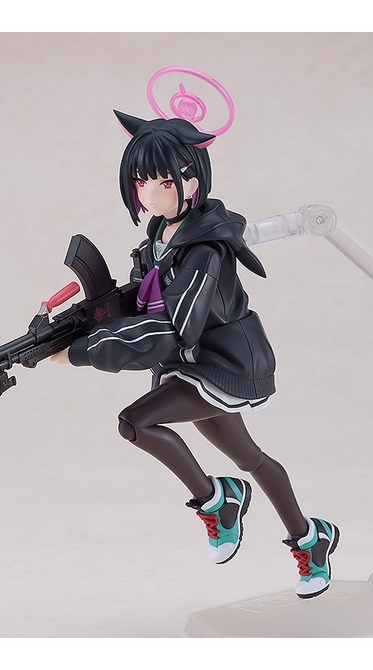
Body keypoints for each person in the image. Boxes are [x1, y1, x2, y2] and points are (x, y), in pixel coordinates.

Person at [52, 110, 339, 599]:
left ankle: (216, 501)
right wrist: (89, 320)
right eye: (141, 181)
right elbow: (144, 298)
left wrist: (86, 349)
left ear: (190, 181)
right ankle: (313, 538)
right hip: (193, 362)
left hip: (226, 363)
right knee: (251, 457)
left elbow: (173, 327)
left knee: (135, 423)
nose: (149, 193)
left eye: (162, 181)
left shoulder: (205, 249)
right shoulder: (158, 237)